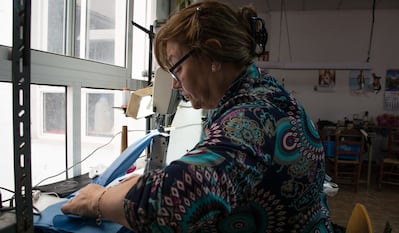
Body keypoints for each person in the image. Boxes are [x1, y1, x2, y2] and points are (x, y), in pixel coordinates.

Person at [61, 1, 334, 232]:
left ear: (212, 53)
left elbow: (168, 204)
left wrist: (98, 199)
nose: (176, 84)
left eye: (176, 67)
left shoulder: (252, 117)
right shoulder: (262, 92)